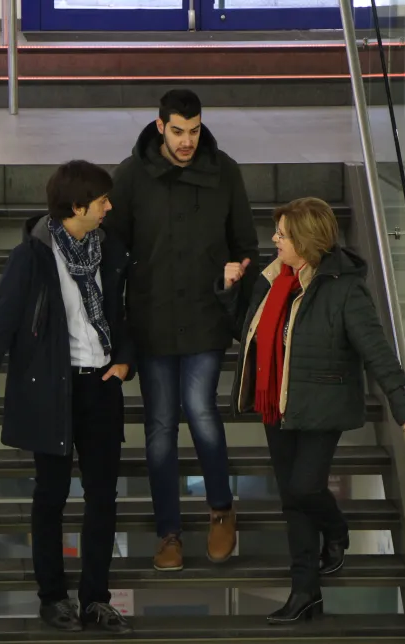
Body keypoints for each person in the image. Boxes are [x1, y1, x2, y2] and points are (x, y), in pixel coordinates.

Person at [0, 160, 135, 634]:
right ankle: (53, 597)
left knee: (102, 499)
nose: (109, 207)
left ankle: (96, 599)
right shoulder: (31, 257)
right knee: (50, 497)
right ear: (76, 207)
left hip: (101, 386)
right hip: (52, 391)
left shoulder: (110, 249)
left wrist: (125, 359)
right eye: (101, 201)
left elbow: (126, 314)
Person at [217, 197, 405, 625]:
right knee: (292, 497)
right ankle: (304, 591)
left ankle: (336, 531)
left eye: (282, 234)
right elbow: (249, 335)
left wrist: (403, 401)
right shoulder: (273, 279)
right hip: (275, 402)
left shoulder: (345, 287)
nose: (274, 240)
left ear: (306, 239)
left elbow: (375, 349)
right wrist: (232, 291)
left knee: (306, 487)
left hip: (322, 405)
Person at [103, 88, 259, 572]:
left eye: (193, 131)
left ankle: (220, 510)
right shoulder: (130, 177)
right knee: (160, 430)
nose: (187, 141)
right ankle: (168, 532)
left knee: (200, 411)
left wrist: (235, 274)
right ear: (159, 126)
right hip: (150, 320)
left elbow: (246, 243)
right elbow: (113, 254)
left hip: (206, 314)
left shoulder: (224, 171)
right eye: (177, 131)